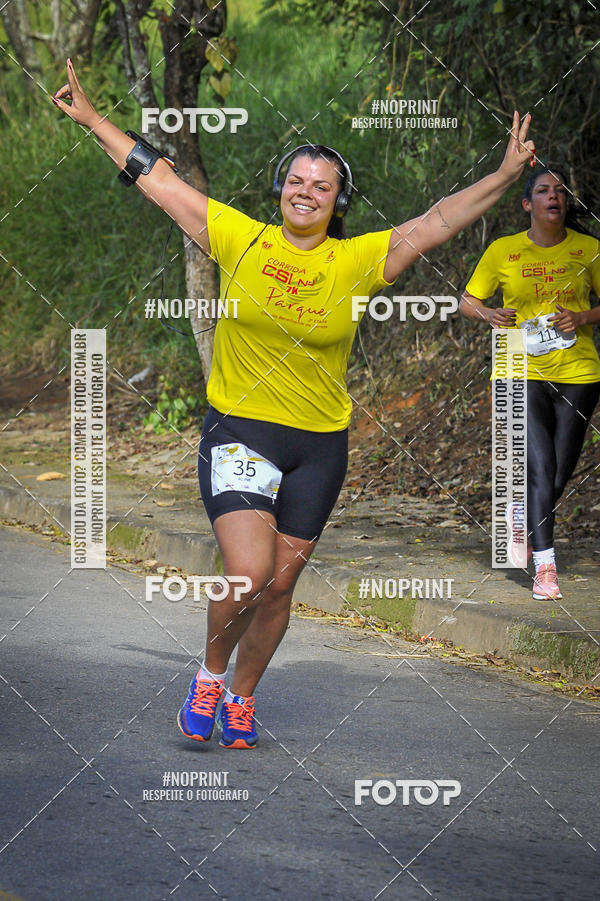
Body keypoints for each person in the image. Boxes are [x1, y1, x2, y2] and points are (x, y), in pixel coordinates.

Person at [53, 59, 534, 748]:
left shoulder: (359, 260)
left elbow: (435, 222)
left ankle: (244, 697)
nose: (307, 193)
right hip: (240, 432)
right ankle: (211, 676)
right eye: (298, 181)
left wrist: (504, 176)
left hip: (319, 446)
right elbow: (160, 180)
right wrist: (96, 119)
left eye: (323, 186)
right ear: (281, 188)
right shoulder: (239, 239)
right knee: (247, 572)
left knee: (278, 588)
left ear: (338, 200)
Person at [460, 167, 600, 600]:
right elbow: (469, 301)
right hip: (518, 367)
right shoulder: (504, 251)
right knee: (539, 468)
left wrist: (581, 317)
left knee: (558, 472)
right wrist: (491, 315)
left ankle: (521, 513)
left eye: (559, 191)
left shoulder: (589, 250)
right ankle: (545, 569)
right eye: (543, 190)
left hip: (578, 371)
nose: (553, 196)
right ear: (527, 205)